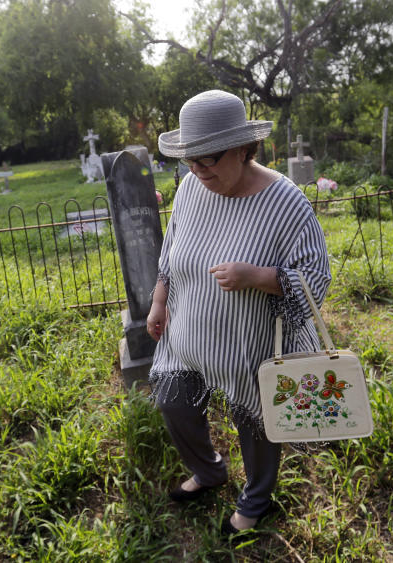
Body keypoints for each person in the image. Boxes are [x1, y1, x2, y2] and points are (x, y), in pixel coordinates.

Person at [147, 90, 331, 537]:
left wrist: (259, 276)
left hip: (251, 341)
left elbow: (315, 279)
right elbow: (173, 248)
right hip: (187, 328)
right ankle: (209, 472)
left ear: (245, 149)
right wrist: (159, 298)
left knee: (256, 421)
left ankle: (257, 498)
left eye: (209, 158)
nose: (198, 169)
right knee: (173, 402)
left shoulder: (286, 203)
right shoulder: (193, 186)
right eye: (190, 159)